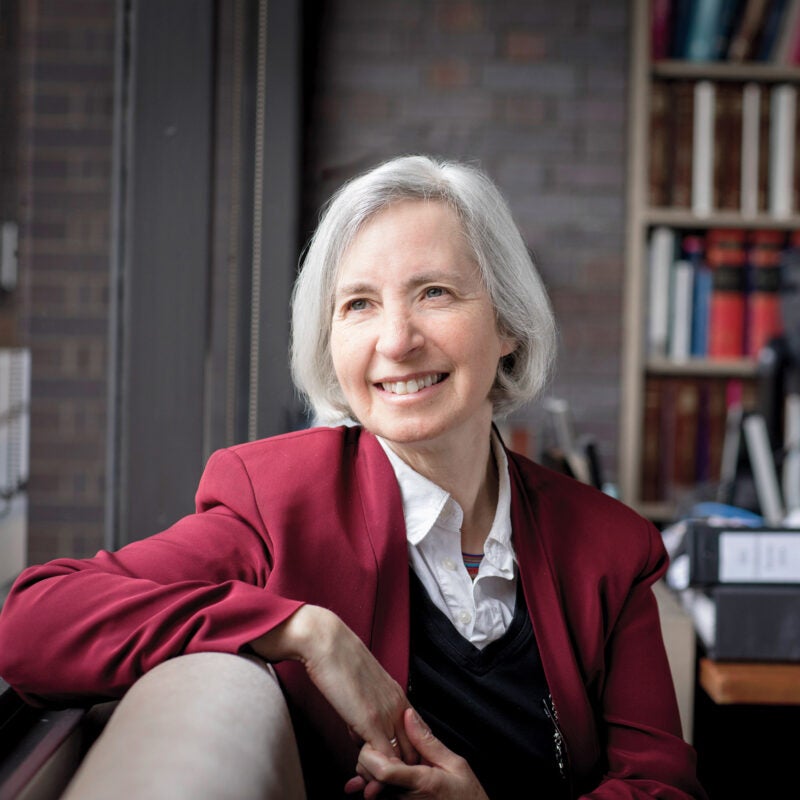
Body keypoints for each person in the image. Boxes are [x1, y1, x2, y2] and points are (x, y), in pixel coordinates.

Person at [0, 155, 707, 799]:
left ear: (508, 325)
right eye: (359, 304)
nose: (396, 341)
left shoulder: (611, 547)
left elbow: (664, 790)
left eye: (434, 292)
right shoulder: (277, 501)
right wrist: (305, 630)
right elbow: (32, 625)